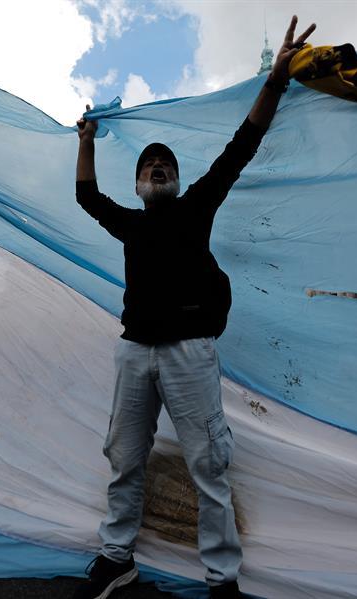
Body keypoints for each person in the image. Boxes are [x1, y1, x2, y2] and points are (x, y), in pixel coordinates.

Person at [72, 16, 316, 599]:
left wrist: (276, 80)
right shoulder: (130, 224)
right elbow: (85, 195)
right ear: (138, 186)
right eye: (147, 165)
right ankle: (116, 558)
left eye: (166, 165)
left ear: (178, 183)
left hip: (189, 353)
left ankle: (222, 580)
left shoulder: (196, 207)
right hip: (134, 353)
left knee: (208, 464)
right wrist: (85, 140)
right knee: (125, 459)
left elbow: (241, 146)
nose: (157, 166)